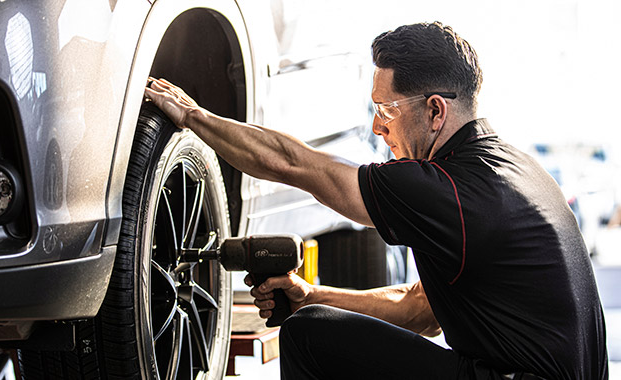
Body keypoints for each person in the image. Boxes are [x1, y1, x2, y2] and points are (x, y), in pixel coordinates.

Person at [145, 21, 607, 380]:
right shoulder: (515, 170)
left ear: (434, 110)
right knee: (314, 317)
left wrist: (193, 115)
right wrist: (310, 295)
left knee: (309, 336)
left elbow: (296, 165)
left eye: (386, 110)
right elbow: (419, 311)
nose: (376, 128)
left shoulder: (441, 187)